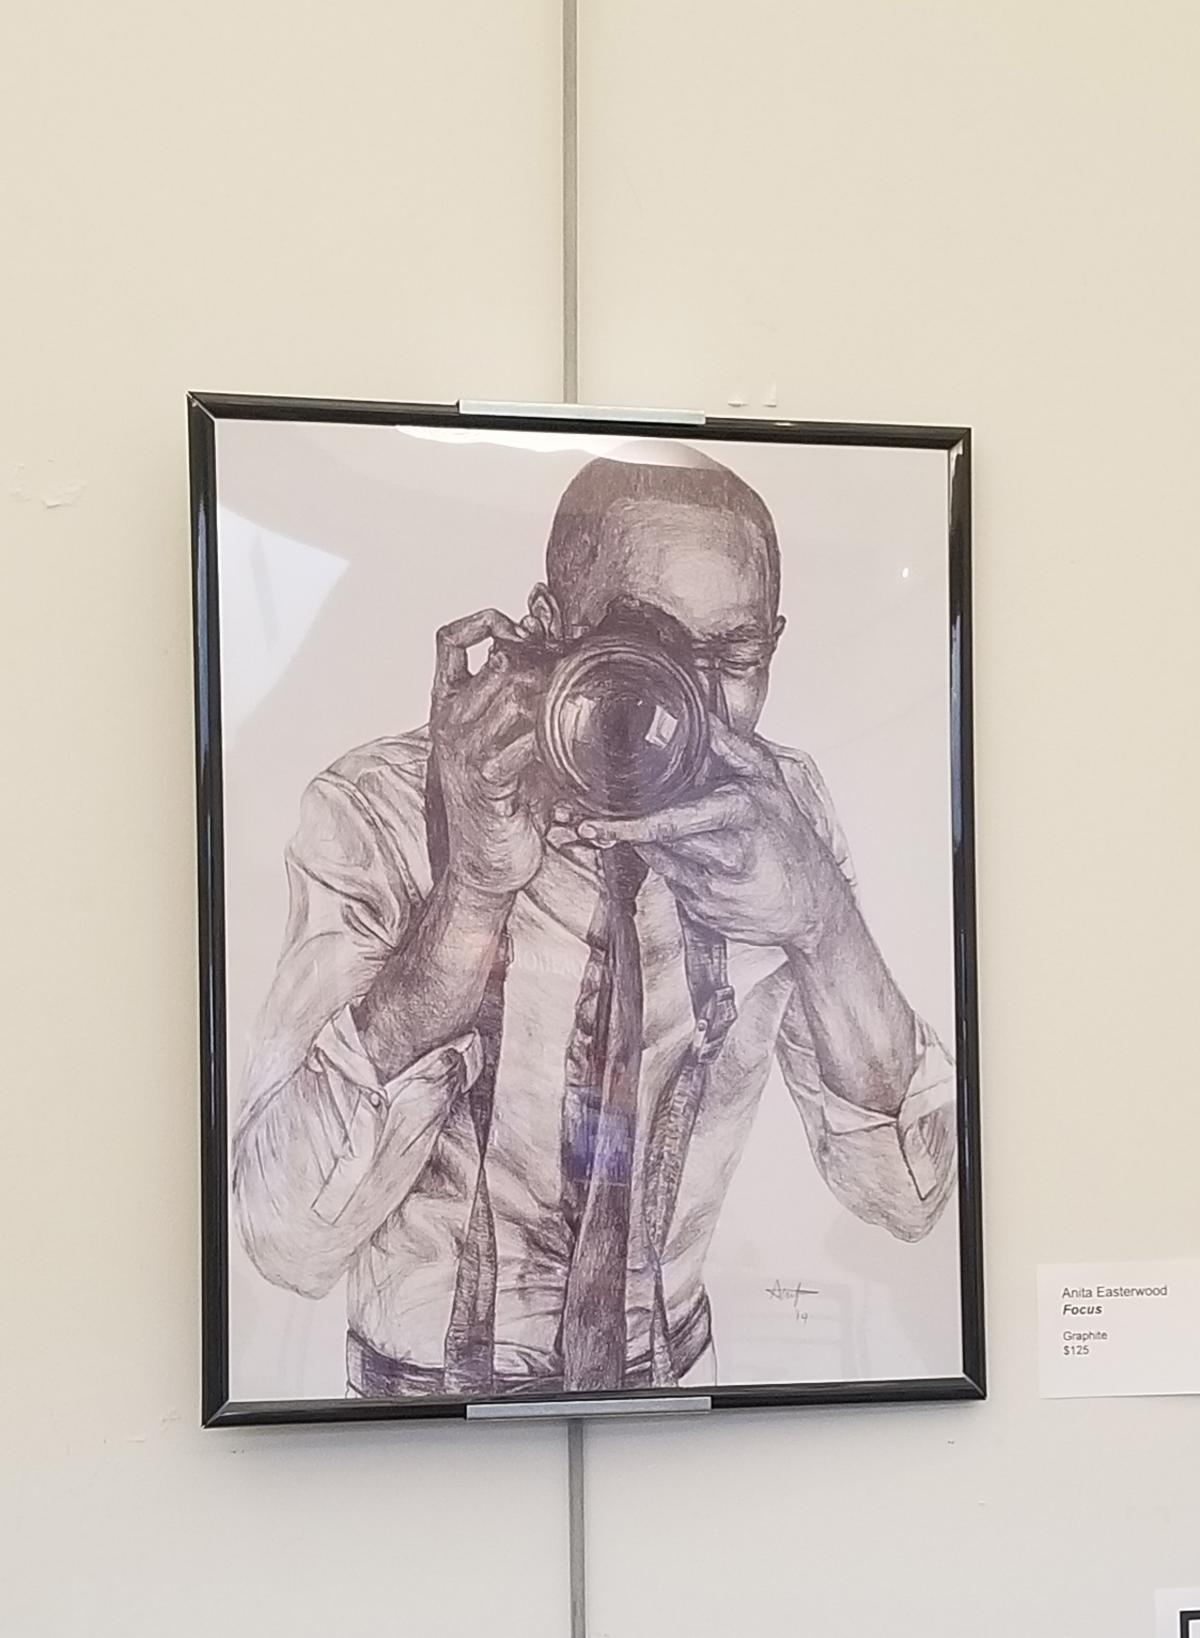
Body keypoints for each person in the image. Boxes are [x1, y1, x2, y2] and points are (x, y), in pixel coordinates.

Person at [233, 441, 957, 1400]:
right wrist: (469, 897)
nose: (688, 703)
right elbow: (281, 1238)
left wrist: (824, 924)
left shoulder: (778, 815)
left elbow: (912, 1200)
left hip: (679, 1401)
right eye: (645, 651)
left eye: (735, 659)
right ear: (549, 629)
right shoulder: (382, 804)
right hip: (415, 1419)